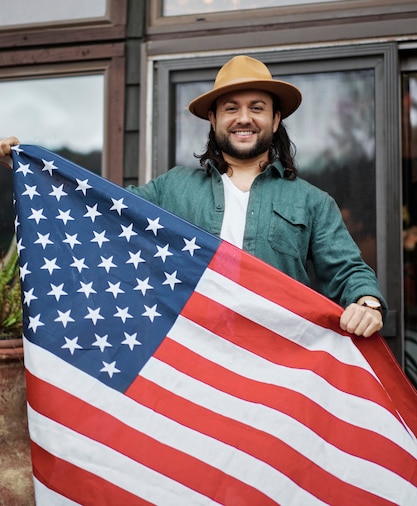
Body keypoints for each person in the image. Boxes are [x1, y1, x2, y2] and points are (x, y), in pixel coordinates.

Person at [0, 55, 386, 337]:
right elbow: (102, 208)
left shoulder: (312, 202)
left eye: (257, 108)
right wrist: (31, 170)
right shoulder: (173, 188)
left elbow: (348, 270)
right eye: (231, 108)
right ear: (214, 119)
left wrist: (366, 302)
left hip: (283, 366)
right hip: (194, 365)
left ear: (276, 119)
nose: (244, 118)